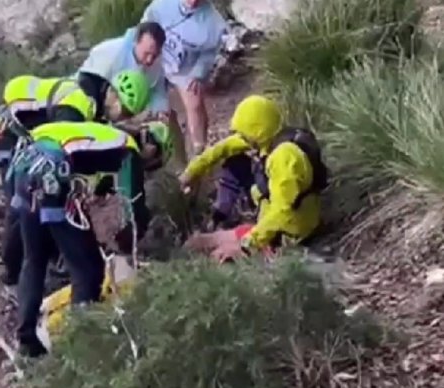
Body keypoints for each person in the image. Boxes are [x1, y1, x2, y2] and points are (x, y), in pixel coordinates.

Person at [8, 121, 174, 357]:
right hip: (52, 172)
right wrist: (130, 243)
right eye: (154, 160)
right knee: (89, 269)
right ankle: (81, 341)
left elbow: (99, 186)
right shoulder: (128, 148)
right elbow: (134, 205)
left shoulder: (101, 135)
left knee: (34, 258)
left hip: (25, 165)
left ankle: (27, 342)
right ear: (151, 145)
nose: (149, 166)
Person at [0, 70, 152, 297]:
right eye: (122, 108)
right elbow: (58, 147)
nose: (120, 116)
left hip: (26, 136)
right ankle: (12, 275)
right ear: (112, 93)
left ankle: (42, 264)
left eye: (127, 114)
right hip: (11, 134)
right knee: (24, 205)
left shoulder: (90, 103)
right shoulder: (78, 104)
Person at [178, 95, 328, 260]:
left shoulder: (285, 159)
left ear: (256, 132)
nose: (240, 138)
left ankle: (237, 236)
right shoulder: (273, 137)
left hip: (288, 233)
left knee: (216, 253)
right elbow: (221, 149)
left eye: (243, 134)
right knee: (198, 242)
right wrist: (189, 174)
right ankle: (222, 218)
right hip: (278, 224)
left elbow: (281, 211)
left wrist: (247, 245)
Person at [79, 21, 189, 168]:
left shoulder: (155, 65)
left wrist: (161, 111)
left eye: (155, 55)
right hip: (98, 101)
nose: (150, 59)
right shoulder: (112, 52)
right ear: (137, 41)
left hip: (130, 110)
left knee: (167, 121)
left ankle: (182, 168)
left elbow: (158, 91)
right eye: (146, 54)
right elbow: (87, 80)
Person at [141, 0, 227, 157]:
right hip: (159, 59)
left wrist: (198, 72)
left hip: (187, 67)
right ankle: (176, 155)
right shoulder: (161, 5)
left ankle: (198, 152)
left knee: (195, 104)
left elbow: (209, 53)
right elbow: (145, 27)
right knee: (163, 111)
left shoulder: (213, 23)